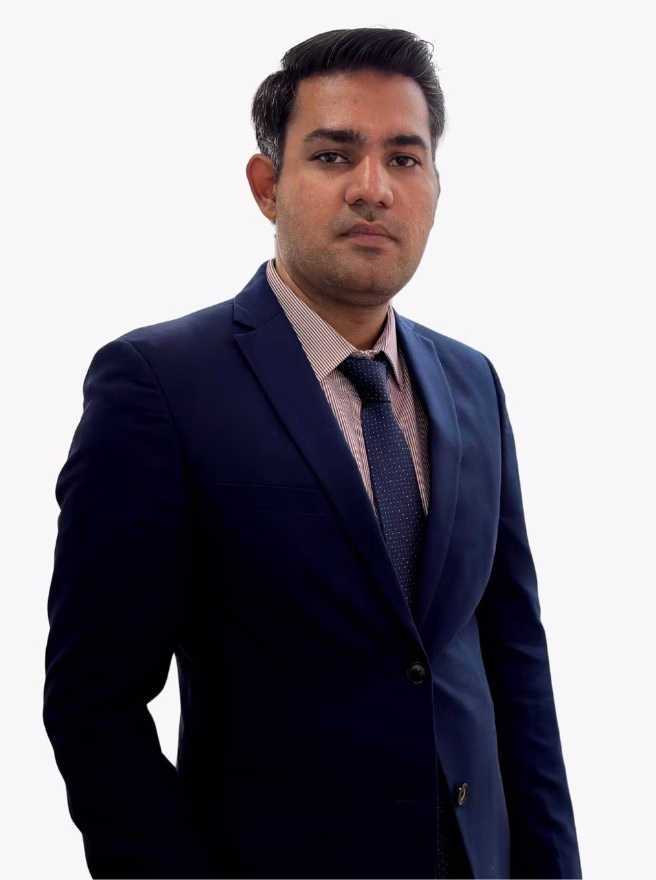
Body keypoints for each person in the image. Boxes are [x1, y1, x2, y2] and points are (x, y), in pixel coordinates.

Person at [43, 27, 581, 880]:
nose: (373, 187)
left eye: (404, 159)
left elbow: (516, 666)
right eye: (333, 156)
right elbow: (93, 705)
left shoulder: (472, 382)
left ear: (435, 188)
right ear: (267, 185)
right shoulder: (159, 385)